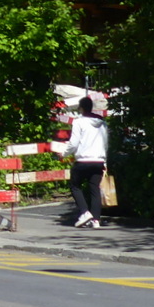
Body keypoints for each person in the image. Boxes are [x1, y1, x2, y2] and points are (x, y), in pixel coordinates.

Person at [65, 96, 108, 228]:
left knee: (75, 186)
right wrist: (105, 161)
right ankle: (96, 220)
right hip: (98, 160)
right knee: (94, 189)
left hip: (83, 160)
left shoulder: (79, 122)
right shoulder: (102, 123)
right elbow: (105, 143)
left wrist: (64, 153)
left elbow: (74, 143)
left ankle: (85, 213)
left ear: (81, 108)